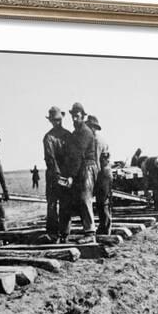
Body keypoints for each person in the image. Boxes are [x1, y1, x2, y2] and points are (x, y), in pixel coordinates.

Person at [60, 102, 99, 244]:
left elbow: (77, 156)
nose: (75, 119)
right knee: (77, 199)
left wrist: (70, 176)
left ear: (83, 116)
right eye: (73, 117)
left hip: (87, 167)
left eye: (77, 116)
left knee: (84, 198)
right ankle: (67, 232)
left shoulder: (84, 132)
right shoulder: (76, 132)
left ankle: (90, 233)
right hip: (81, 168)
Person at [41, 106, 72, 243]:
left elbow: (72, 157)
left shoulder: (68, 136)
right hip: (54, 176)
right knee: (52, 205)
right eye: (54, 120)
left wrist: (70, 175)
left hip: (65, 176)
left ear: (62, 119)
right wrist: (58, 175)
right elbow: (50, 159)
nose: (57, 122)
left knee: (65, 204)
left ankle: (64, 234)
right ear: (51, 121)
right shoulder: (48, 137)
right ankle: (53, 234)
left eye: (58, 120)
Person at [87, 115, 112, 235]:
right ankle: (105, 227)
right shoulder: (101, 139)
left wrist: (93, 178)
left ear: (93, 127)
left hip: (102, 173)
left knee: (102, 202)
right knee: (103, 201)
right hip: (106, 171)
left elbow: (96, 161)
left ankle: (105, 228)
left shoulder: (94, 140)